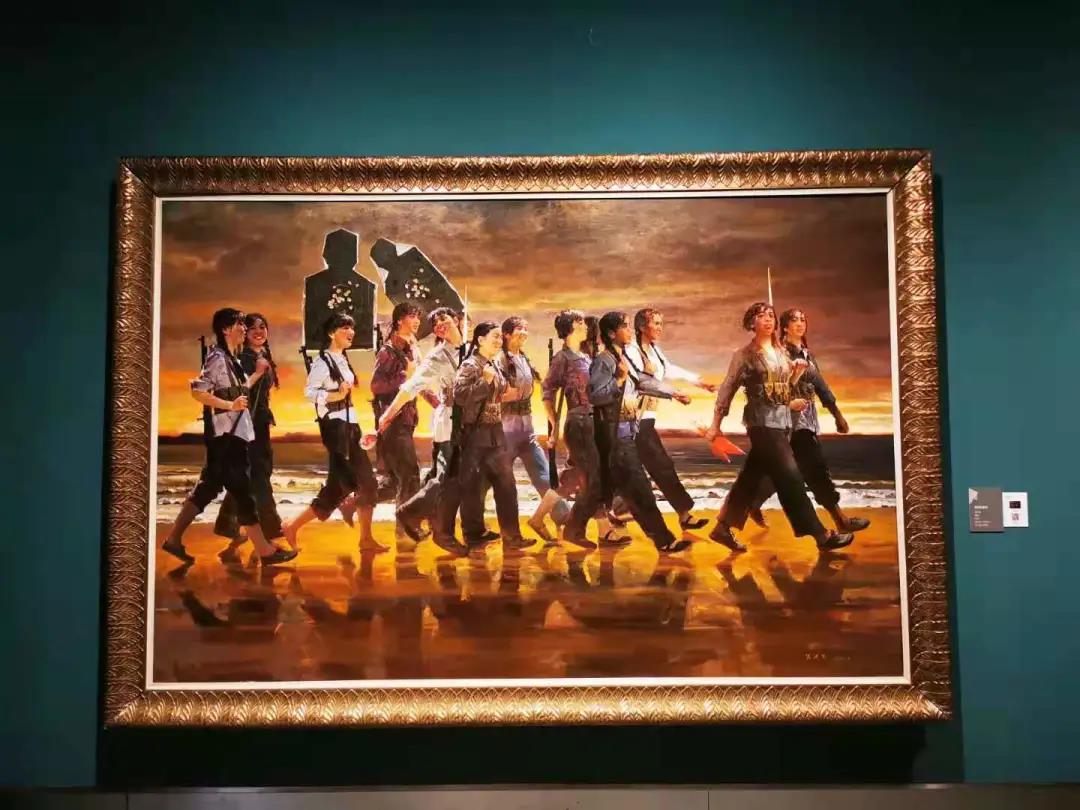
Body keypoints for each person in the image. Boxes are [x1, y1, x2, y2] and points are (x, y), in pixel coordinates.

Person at [704, 302, 854, 553]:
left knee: (750, 478)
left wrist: (795, 378)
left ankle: (722, 527)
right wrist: (715, 424)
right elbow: (728, 388)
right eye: (761, 316)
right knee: (790, 478)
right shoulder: (744, 355)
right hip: (761, 424)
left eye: (771, 316)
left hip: (782, 423)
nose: (768, 320)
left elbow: (783, 388)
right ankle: (820, 535)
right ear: (751, 323)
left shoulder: (781, 352)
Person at [160, 308, 296, 566]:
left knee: (209, 488)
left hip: (235, 433)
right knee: (242, 492)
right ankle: (265, 551)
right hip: (225, 435)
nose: (244, 329)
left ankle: (174, 539)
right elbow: (198, 391)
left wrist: (256, 375)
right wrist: (228, 405)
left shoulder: (231, 360)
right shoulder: (217, 357)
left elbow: (241, 390)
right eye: (240, 325)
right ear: (225, 329)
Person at [747, 308, 870, 533]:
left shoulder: (807, 355)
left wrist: (837, 415)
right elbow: (774, 389)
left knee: (786, 471)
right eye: (794, 320)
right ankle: (841, 521)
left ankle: (752, 504)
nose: (800, 323)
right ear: (784, 327)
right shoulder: (779, 353)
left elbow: (821, 386)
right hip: (791, 423)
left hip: (807, 421)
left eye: (803, 319)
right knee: (816, 470)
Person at [589, 311, 693, 554]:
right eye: (625, 326)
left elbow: (642, 383)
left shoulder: (623, 359)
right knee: (639, 488)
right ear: (611, 333)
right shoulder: (604, 361)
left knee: (626, 490)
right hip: (614, 435)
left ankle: (608, 529)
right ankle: (663, 540)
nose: (630, 330)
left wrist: (673, 393)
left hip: (627, 431)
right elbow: (595, 396)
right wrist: (618, 380)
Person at [284, 313, 382, 552]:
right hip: (335, 427)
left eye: (352, 327)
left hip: (350, 424)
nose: (350, 332)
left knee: (366, 482)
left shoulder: (341, 359)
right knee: (344, 483)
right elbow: (309, 393)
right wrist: (335, 395)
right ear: (331, 333)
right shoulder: (322, 362)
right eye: (344, 328)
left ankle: (365, 538)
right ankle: (293, 525)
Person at [379, 307, 466, 554]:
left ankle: (432, 523)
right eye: (436, 324)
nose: (440, 325)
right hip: (449, 423)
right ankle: (415, 516)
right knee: (448, 477)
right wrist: (388, 415)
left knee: (448, 477)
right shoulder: (437, 356)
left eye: (444, 319)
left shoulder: (469, 349)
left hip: (468, 423)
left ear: (458, 320)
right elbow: (411, 387)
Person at [623, 308, 714, 531]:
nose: (660, 328)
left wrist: (698, 381)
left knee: (648, 468)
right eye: (655, 323)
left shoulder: (654, 351)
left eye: (661, 323)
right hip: (633, 420)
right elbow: (643, 381)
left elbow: (669, 369)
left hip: (647, 418)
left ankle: (619, 511)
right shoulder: (631, 351)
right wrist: (674, 393)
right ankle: (683, 515)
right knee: (659, 465)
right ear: (642, 327)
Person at [541, 310, 623, 550]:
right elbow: (547, 392)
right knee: (591, 480)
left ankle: (590, 529)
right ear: (571, 327)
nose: (585, 326)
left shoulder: (586, 358)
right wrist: (554, 427)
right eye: (580, 323)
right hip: (577, 422)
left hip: (593, 421)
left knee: (591, 479)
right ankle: (574, 530)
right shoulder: (562, 358)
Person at [452, 321, 532, 551]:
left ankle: (511, 536)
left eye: (499, 337)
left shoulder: (493, 364)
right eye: (494, 337)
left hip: (495, 430)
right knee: (473, 485)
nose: (499, 341)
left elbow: (500, 392)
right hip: (476, 432)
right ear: (480, 340)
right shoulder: (470, 365)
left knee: (506, 484)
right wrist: (484, 381)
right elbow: (460, 396)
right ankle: (474, 533)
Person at [214, 313, 288, 562]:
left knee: (252, 474)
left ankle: (228, 525)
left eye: (263, 327)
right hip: (249, 424)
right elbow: (240, 390)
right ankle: (272, 533)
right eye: (253, 327)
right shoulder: (245, 359)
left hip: (259, 422)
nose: (259, 331)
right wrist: (257, 372)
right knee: (260, 475)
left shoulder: (261, 356)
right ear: (245, 333)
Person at [495, 316, 570, 544]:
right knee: (503, 486)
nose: (524, 333)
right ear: (507, 334)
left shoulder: (523, 359)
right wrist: (509, 395)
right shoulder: (499, 360)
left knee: (545, 477)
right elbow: (493, 393)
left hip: (526, 431)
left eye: (526, 329)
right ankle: (509, 534)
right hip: (506, 432)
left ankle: (563, 518)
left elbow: (542, 384)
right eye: (519, 329)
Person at [370, 302, 424, 548]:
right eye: (412, 316)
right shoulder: (388, 351)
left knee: (393, 482)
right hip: (392, 421)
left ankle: (354, 500)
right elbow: (376, 386)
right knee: (410, 475)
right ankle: (405, 531)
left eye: (418, 317)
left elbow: (417, 384)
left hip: (407, 419)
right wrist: (405, 376)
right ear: (399, 320)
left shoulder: (411, 350)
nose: (417, 321)